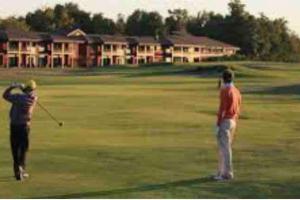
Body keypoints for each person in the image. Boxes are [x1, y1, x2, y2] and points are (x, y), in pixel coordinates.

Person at [3, 80, 38, 181]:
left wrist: (13, 87)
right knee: (23, 149)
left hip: (14, 126)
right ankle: (21, 169)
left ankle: (17, 171)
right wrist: (23, 88)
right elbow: (30, 93)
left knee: (15, 149)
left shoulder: (18, 98)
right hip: (25, 127)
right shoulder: (34, 98)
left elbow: (5, 95)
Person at [214, 69, 242, 181]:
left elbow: (222, 109)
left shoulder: (225, 91)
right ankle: (221, 172)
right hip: (233, 121)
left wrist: (218, 124)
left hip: (225, 121)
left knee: (224, 148)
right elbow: (239, 107)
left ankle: (227, 174)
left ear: (223, 78)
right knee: (224, 148)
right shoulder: (237, 91)